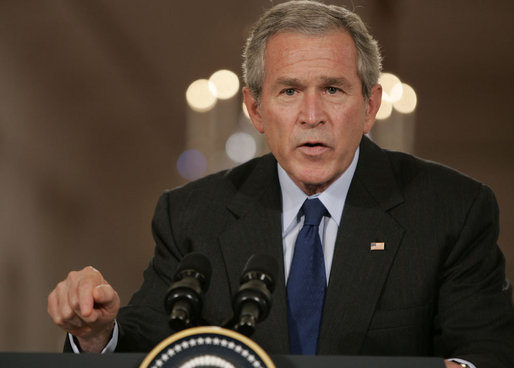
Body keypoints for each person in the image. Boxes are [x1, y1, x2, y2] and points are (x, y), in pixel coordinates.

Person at [47, 1, 513, 367]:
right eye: (289, 91)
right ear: (254, 110)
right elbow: (151, 345)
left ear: (370, 107)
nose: (312, 116)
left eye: (333, 89)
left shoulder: (452, 209)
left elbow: (487, 351)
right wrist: (95, 335)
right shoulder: (192, 215)